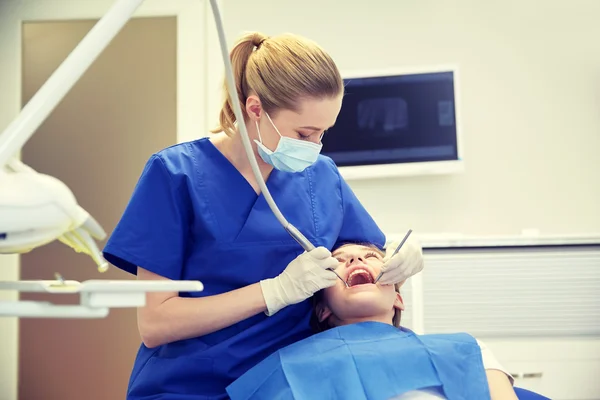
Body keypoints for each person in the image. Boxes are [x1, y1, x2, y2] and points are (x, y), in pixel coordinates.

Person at [102, 31, 424, 399]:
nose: (314, 146)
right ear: (254, 109)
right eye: (304, 132)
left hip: (292, 383)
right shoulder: (175, 173)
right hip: (190, 386)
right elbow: (156, 323)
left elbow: (361, 254)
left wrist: (402, 256)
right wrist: (274, 292)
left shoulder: (321, 175)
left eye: (322, 133)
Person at [226, 243, 518, 400]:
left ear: (398, 298)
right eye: (339, 260)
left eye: (370, 256)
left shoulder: (466, 348)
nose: (356, 261)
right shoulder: (284, 367)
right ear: (322, 309)